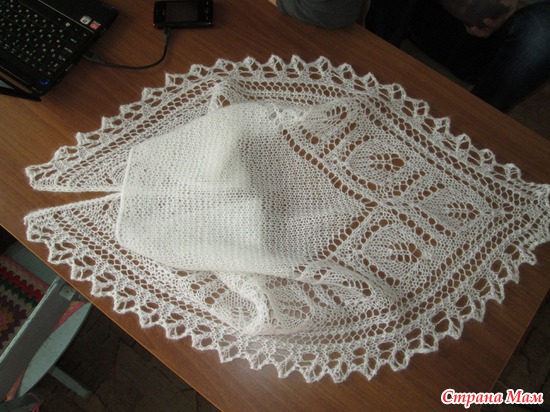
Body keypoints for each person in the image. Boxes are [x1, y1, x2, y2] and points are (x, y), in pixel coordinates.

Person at [272, 0, 550, 112]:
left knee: (544, 29)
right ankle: (374, 75)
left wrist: (510, 4)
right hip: (417, 18)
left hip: (502, 43)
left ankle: (482, 121)